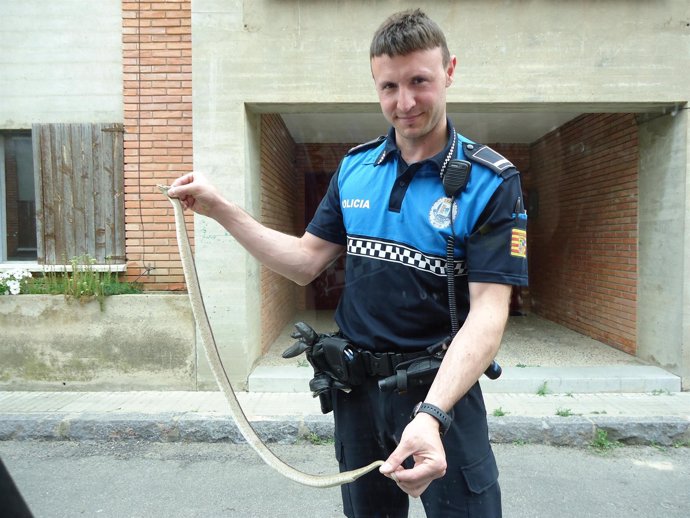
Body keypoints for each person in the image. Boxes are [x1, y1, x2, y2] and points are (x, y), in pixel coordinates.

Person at [169, 8, 527, 518]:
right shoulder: (355, 170)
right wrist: (221, 209)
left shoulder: (492, 181)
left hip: (442, 395)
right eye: (389, 87)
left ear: (449, 72)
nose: (404, 103)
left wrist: (430, 414)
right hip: (357, 395)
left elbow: (488, 315)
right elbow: (303, 262)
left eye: (420, 81)